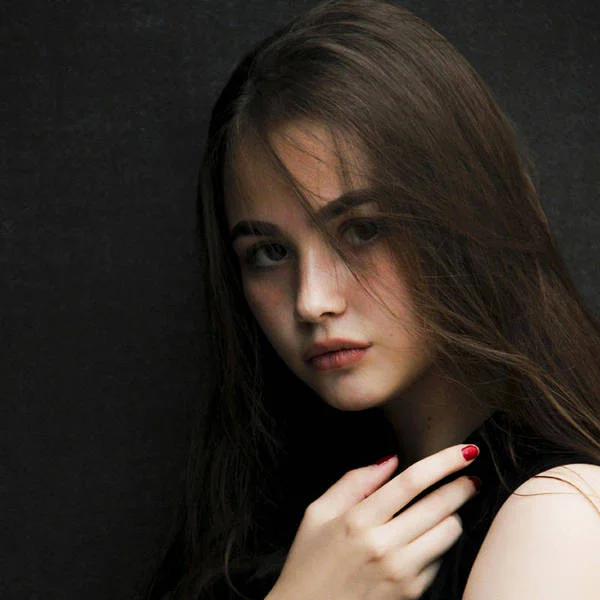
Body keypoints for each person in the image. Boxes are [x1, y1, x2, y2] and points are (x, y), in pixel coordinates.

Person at [146, 1, 600, 598]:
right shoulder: (270, 514)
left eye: (363, 230)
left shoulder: (558, 516)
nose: (312, 301)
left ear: (466, 218)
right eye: (269, 253)